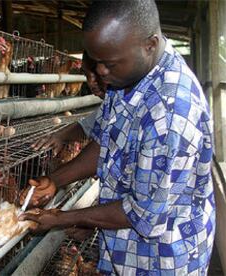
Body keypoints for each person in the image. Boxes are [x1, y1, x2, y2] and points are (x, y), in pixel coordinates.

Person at [19, 0, 215, 275]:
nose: (99, 72)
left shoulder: (170, 114)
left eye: (108, 63)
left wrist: (64, 218)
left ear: (150, 44)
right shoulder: (127, 77)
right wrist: (55, 180)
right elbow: (108, 142)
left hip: (159, 260)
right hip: (125, 251)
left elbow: (143, 214)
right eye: (96, 61)